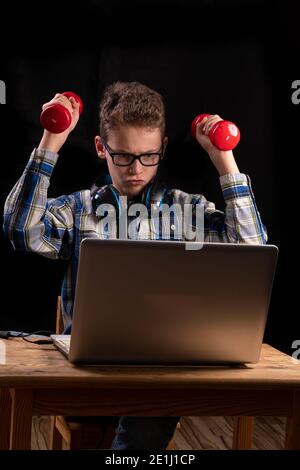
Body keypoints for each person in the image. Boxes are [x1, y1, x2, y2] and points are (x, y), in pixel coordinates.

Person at [3, 81, 267, 450]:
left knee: (155, 405)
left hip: (164, 366)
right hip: (91, 368)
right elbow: (20, 229)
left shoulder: (186, 209)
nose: (136, 169)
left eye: (149, 156)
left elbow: (251, 248)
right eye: (123, 156)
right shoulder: (80, 209)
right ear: (101, 148)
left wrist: (224, 159)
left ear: (162, 150)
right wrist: (52, 139)